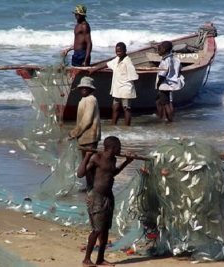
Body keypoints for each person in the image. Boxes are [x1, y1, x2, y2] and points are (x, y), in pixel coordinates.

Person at [77, 136, 134, 267]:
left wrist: (127, 162)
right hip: (96, 196)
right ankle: (86, 259)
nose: (121, 150)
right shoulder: (96, 158)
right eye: (119, 147)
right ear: (113, 147)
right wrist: (87, 156)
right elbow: (80, 174)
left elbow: (112, 173)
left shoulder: (113, 159)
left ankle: (100, 259)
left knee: (105, 230)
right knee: (97, 229)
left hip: (108, 197)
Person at [68, 76, 101, 190]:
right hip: (84, 137)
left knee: (89, 164)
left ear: (91, 90)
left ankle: (91, 187)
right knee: (86, 163)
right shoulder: (84, 100)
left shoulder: (91, 100)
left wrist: (74, 133)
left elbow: (87, 120)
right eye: (82, 88)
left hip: (90, 137)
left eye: (86, 88)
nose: (84, 90)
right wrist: (77, 133)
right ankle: (89, 186)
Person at [106, 42, 139, 126]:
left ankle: (127, 127)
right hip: (117, 89)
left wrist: (129, 87)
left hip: (126, 90)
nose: (118, 53)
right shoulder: (117, 59)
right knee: (115, 107)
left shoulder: (128, 62)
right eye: (116, 51)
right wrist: (95, 69)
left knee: (126, 109)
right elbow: (108, 64)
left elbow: (134, 78)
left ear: (125, 51)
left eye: (120, 51)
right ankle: (113, 125)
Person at [155, 41, 184, 122]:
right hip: (173, 83)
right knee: (160, 101)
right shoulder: (175, 59)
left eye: (159, 49)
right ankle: (163, 117)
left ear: (164, 49)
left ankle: (169, 120)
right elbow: (180, 69)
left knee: (166, 104)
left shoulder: (165, 60)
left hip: (165, 84)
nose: (158, 51)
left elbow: (162, 74)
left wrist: (158, 84)